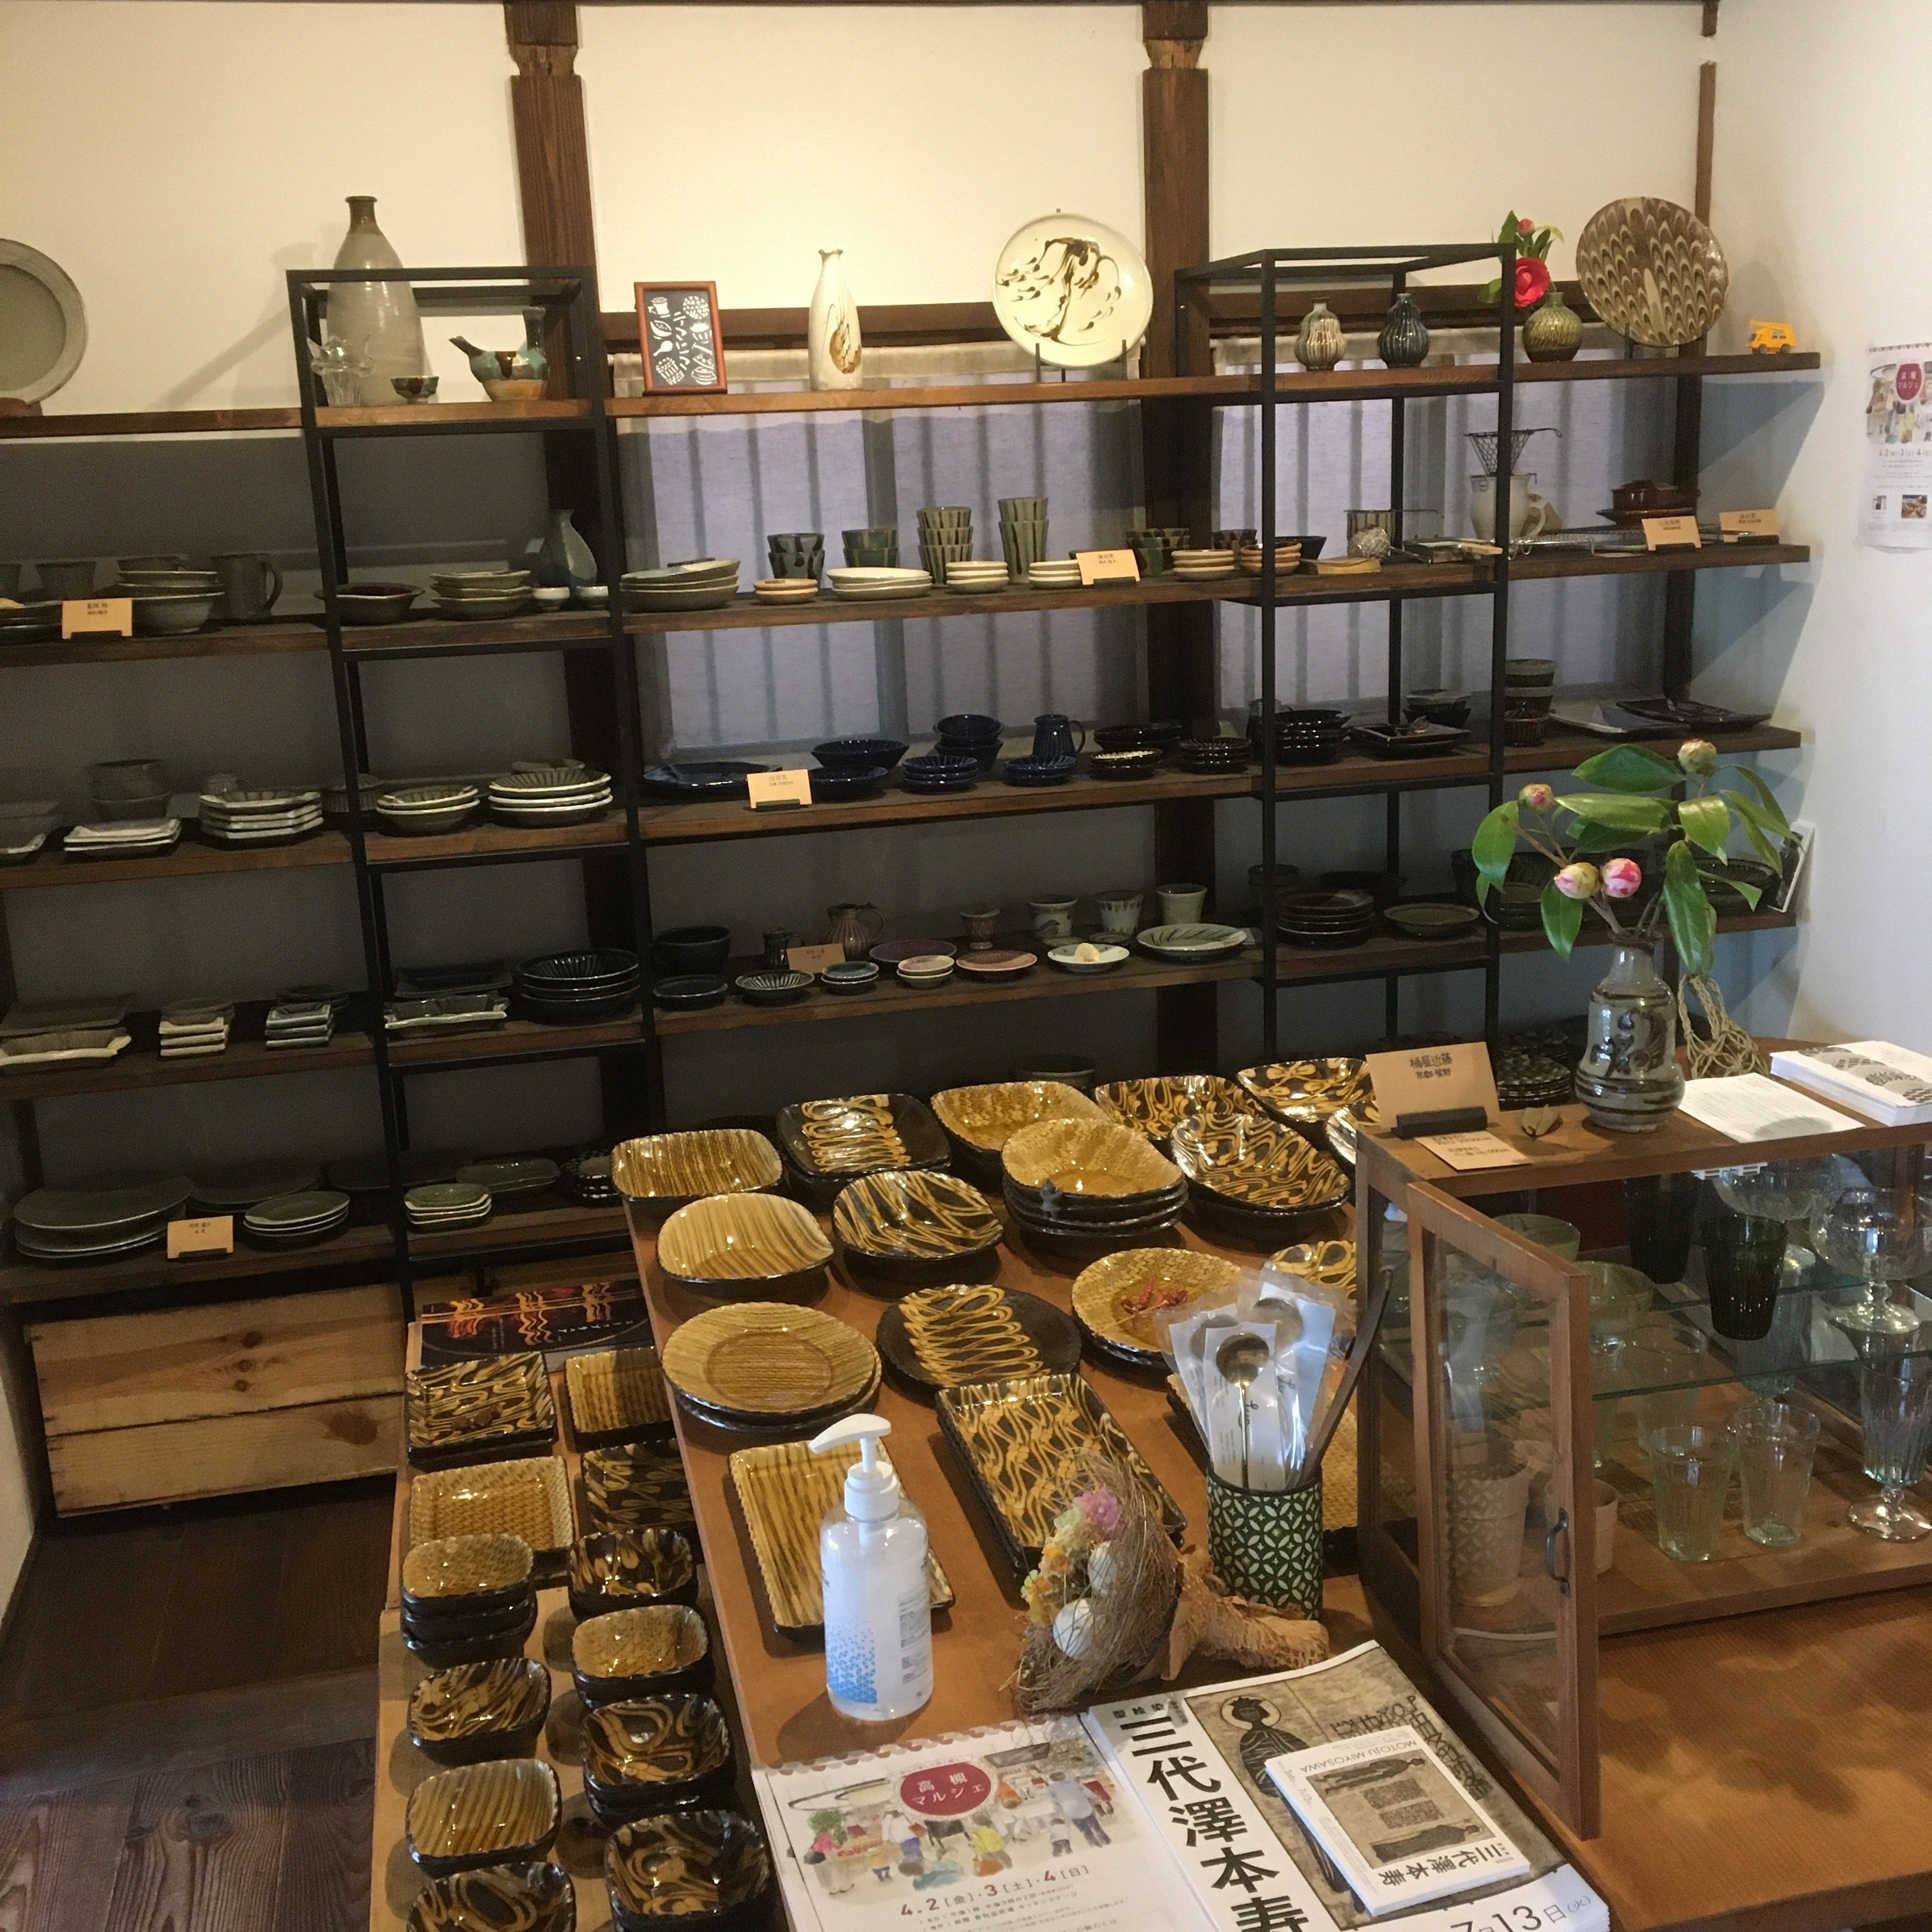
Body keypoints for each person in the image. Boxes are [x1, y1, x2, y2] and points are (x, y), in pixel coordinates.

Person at [1048, 1774, 1110, 1848]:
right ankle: (1106, 1841)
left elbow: (1055, 1802)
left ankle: (1094, 1844)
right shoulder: (1073, 1783)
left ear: (1052, 1779)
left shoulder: (1052, 1789)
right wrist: (1095, 1797)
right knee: (1095, 1826)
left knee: (1084, 1830)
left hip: (1071, 1811)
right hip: (1084, 1807)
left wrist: (1061, 1812)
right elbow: (1086, 1792)